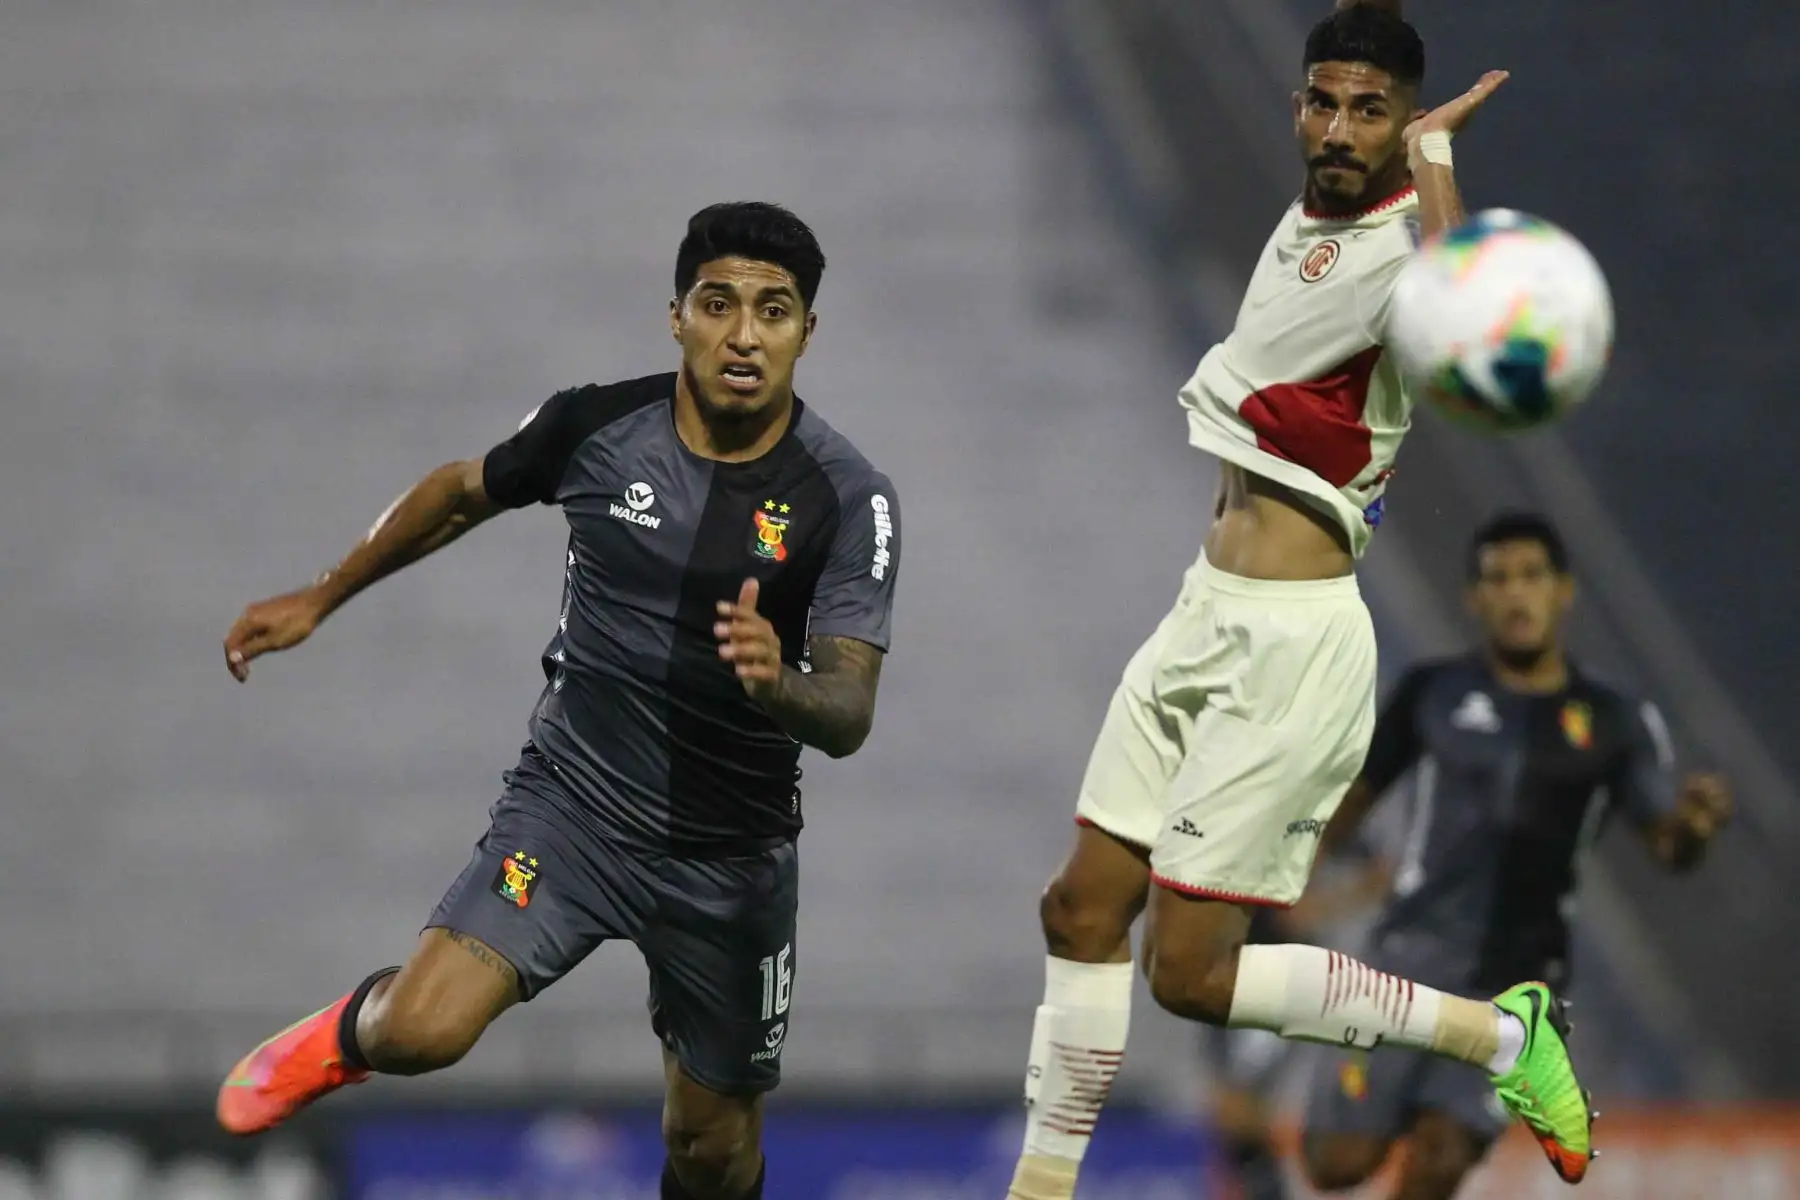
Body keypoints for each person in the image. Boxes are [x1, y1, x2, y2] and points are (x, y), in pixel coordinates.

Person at [1003, 7, 1600, 1199]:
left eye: (1368, 111)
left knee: (1191, 977)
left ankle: (1502, 1038)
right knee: (1078, 910)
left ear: (1400, 123)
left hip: (1292, 647)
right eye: (1322, 102)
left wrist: (1433, 164)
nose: (1337, 129)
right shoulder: (1314, 212)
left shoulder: (1404, 258)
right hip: (1203, 612)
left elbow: (1464, 302)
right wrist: (1402, 146)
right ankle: (1041, 1189)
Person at [212, 202, 902, 1200]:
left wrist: (778, 685)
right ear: (677, 317)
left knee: (713, 1154)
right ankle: (340, 1036)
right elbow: (457, 493)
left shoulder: (849, 496)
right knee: (421, 1030)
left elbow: (850, 707)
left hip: (731, 860)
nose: (744, 335)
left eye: (773, 310)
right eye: (718, 305)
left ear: (807, 331)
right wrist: (321, 595)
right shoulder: (595, 426)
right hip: (574, 811)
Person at [1299, 512, 1731, 1199]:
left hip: (1521, 990)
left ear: (1564, 591)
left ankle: (1444, 1105)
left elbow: (1667, 845)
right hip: (1408, 961)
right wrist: (1285, 871)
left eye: (1532, 576)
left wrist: (1696, 827)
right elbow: (1350, 802)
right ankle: (1401, 1097)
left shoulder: (1615, 721)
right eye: (1498, 579)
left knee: (1441, 1158)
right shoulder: (1432, 694)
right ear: (1475, 599)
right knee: (1335, 1163)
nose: (1516, 594)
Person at [1201, 847, 1393, 1200]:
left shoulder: (1328, 829)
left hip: (1270, 984)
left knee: (1241, 1108)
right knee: (1235, 1109)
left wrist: (1359, 891)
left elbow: (1298, 916)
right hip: (1237, 973)